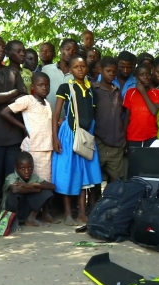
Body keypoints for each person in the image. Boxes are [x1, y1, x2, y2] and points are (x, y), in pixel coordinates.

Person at [52, 54, 102, 226]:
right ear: (70, 69)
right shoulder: (65, 87)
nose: (80, 69)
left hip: (86, 137)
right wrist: (54, 138)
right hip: (69, 135)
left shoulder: (91, 90)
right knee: (68, 174)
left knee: (83, 176)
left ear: (87, 68)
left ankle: (81, 213)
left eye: (83, 66)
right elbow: (56, 114)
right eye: (76, 67)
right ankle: (67, 213)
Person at [0, 35, 27, 199]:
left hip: (14, 136)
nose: (1, 49)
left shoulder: (12, 71)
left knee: (12, 178)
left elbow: (24, 97)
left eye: (3, 47)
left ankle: (11, 215)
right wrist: (13, 93)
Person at [1, 72, 53, 182]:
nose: (44, 88)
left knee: (46, 181)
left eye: (47, 85)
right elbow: (5, 112)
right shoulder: (28, 100)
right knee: (34, 180)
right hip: (34, 148)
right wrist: (23, 127)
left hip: (48, 148)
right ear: (33, 87)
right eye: (40, 85)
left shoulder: (47, 103)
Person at [2, 152, 56, 229]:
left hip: (27, 210)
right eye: (22, 168)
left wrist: (33, 185)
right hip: (12, 211)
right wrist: (36, 190)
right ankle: (14, 221)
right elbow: (15, 189)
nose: (26, 171)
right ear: (16, 168)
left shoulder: (34, 177)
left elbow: (52, 186)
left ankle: (31, 218)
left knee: (46, 191)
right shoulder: (11, 177)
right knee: (14, 194)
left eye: (30, 168)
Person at [92, 56, 125, 183]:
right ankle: (95, 202)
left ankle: (112, 201)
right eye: (108, 71)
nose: (111, 74)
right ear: (101, 70)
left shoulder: (117, 91)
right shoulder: (94, 89)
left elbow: (121, 115)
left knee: (116, 178)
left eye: (114, 71)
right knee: (96, 177)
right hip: (99, 140)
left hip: (116, 141)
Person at [123, 64, 159, 148]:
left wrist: (143, 92)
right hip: (133, 136)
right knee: (135, 161)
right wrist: (124, 137)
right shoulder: (130, 92)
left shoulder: (157, 92)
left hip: (150, 136)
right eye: (142, 75)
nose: (145, 77)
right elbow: (127, 116)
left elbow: (154, 111)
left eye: (148, 74)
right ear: (136, 77)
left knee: (149, 161)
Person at [42, 39, 77, 112]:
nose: (70, 52)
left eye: (74, 51)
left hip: (70, 120)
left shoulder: (78, 73)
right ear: (61, 50)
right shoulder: (46, 69)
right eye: (68, 49)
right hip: (49, 118)